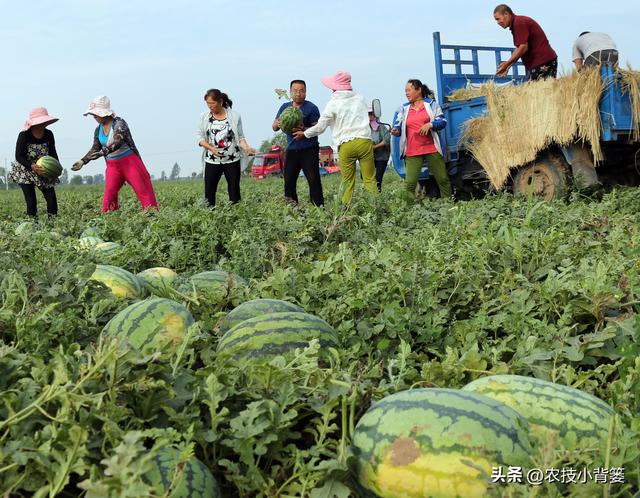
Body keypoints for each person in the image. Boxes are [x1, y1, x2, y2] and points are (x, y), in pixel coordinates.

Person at [293, 71, 377, 204]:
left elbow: (321, 126)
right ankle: (375, 208)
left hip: (346, 144)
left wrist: (305, 134)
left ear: (334, 87)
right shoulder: (360, 98)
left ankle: (344, 211)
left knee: (348, 181)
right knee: (369, 179)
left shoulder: (333, 103)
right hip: (364, 141)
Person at [71, 96, 158, 212]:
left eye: (95, 114)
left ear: (104, 113)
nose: (94, 117)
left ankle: (153, 216)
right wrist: (83, 161)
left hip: (130, 162)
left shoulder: (119, 124)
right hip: (113, 165)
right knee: (109, 195)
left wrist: (103, 152)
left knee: (143, 191)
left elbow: (118, 141)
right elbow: (95, 148)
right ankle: (110, 221)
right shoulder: (98, 130)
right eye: (93, 114)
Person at [391, 79, 451, 201]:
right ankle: (408, 209)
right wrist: (396, 131)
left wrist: (430, 125)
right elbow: (398, 127)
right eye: (405, 91)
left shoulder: (431, 104)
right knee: (410, 184)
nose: (406, 93)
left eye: (409, 90)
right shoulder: (403, 109)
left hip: (431, 148)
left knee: (443, 179)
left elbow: (443, 121)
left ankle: (448, 204)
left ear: (418, 90)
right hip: (412, 151)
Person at [197, 89, 256, 208]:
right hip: (212, 160)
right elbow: (200, 137)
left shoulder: (234, 116)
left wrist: (247, 148)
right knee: (209, 191)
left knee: (234, 191)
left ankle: (235, 216)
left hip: (232, 159)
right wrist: (211, 148)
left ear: (220, 101)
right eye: (208, 103)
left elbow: (240, 137)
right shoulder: (204, 117)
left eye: (212, 103)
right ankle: (209, 215)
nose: (210, 106)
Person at [273, 80, 324, 206]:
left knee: (313, 180)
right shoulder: (285, 108)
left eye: (301, 91)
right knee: (289, 181)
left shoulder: (312, 108)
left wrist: (304, 130)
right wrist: (278, 124)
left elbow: (318, 128)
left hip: (309, 149)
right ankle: (292, 209)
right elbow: (274, 127)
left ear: (305, 93)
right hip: (291, 150)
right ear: (290, 92)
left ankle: (318, 208)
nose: (298, 93)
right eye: (295, 91)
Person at [9, 107, 60, 219]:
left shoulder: (48, 134)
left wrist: (57, 169)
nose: (44, 123)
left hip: (43, 170)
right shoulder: (24, 135)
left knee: (51, 199)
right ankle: (33, 227)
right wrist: (32, 166)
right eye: (42, 121)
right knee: (31, 202)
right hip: (26, 169)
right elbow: (19, 156)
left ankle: (53, 225)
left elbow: (53, 153)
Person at [493, 4, 558, 81]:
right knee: (537, 90)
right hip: (541, 62)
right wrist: (508, 66)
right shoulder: (516, 23)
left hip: (542, 61)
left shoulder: (519, 23)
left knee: (539, 91)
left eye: (498, 19)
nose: (498, 22)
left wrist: (507, 64)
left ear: (506, 14)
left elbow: (523, 47)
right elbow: (519, 48)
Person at [368, 105, 390, 192]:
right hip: (369, 157)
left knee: (378, 179)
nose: (370, 116)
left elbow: (387, 140)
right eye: (368, 114)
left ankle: (377, 196)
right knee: (365, 176)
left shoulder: (381, 127)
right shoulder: (364, 128)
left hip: (382, 157)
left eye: (371, 113)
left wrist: (375, 147)